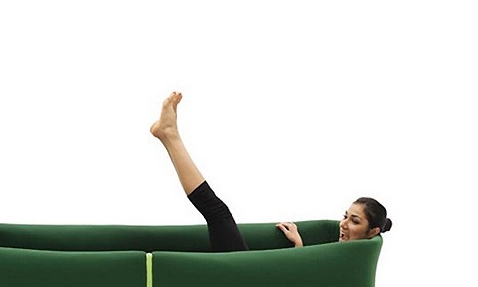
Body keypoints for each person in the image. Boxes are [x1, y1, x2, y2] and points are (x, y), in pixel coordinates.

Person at [150, 91, 392, 252]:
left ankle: (170, 136)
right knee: (217, 213)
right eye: (346, 216)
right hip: (253, 277)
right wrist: (299, 245)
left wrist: (299, 249)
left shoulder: (353, 256)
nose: (344, 224)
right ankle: (169, 136)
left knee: (217, 212)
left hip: (248, 284)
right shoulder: (347, 252)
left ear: (372, 232)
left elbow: (309, 282)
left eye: (355, 221)